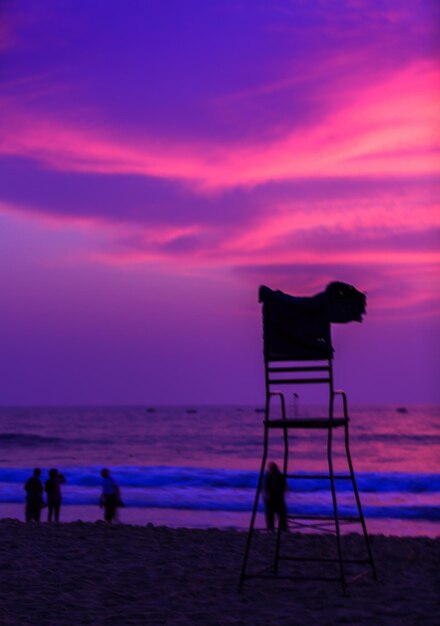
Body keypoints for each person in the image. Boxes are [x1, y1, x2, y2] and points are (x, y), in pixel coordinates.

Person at [263, 462, 287, 531]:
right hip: (272, 497)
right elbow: (266, 488)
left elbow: (284, 486)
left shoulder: (278, 476)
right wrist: (266, 496)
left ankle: (282, 528)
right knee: (271, 514)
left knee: (281, 514)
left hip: (277, 497)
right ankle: (271, 528)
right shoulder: (269, 476)